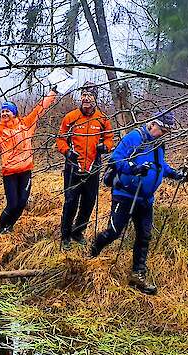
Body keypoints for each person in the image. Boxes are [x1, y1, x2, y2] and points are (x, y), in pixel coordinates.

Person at [89, 111, 188, 295]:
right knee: (114, 232)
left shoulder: (159, 144)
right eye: (163, 129)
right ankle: (93, 251)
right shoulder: (135, 137)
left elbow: (161, 166)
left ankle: (138, 274)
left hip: (145, 199)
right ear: (152, 124)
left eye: (167, 131)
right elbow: (116, 159)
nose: (164, 134)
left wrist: (176, 174)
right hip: (125, 194)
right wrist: (134, 169)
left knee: (144, 235)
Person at [0, 90, 57, 233]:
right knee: (12, 204)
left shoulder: (26, 124)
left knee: (22, 203)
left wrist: (52, 92)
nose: (4, 113)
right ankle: (1, 229)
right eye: (2, 111)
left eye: (8, 110)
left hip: (26, 170)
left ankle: (10, 226)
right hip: (9, 173)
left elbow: (40, 108)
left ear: (14, 113)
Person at [55, 84, 114, 248]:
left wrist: (105, 147)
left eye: (90, 95)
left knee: (89, 202)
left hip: (93, 167)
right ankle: (65, 235)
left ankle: (78, 232)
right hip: (73, 166)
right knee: (71, 202)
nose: (86, 98)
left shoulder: (102, 119)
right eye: (83, 95)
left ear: (95, 98)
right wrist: (67, 152)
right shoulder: (71, 117)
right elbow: (60, 139)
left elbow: (109, 139)